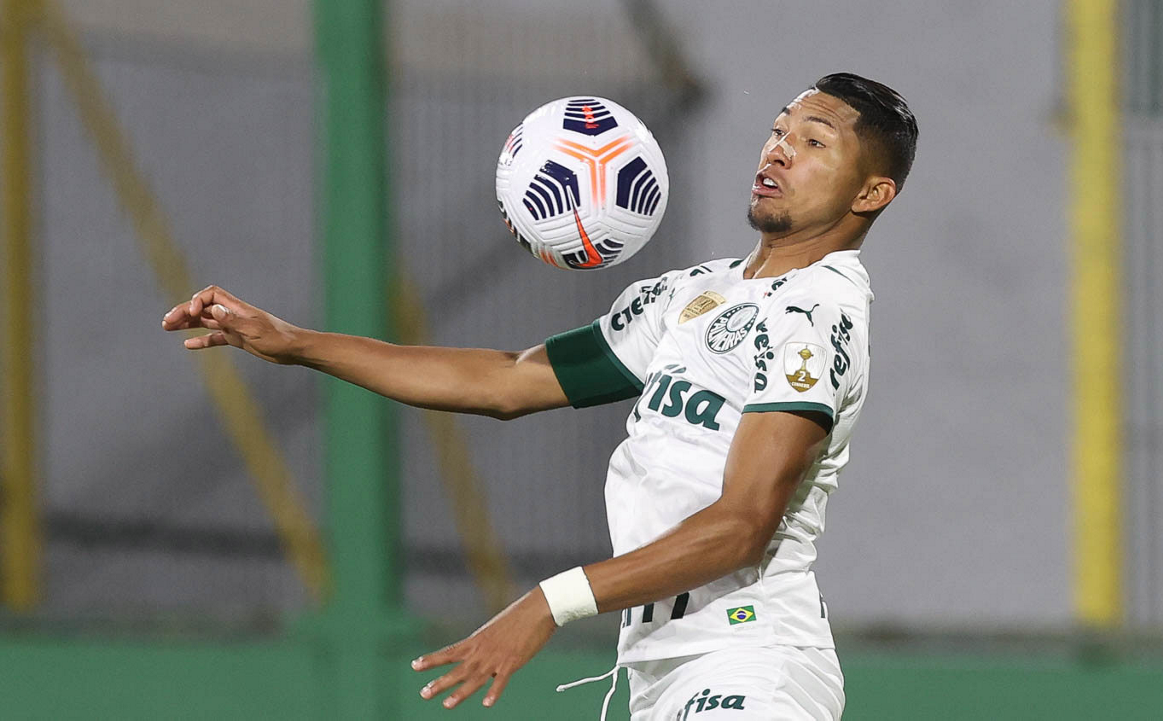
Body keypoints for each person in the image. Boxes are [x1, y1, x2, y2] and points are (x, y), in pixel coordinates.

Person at [162, 72, 917, 720]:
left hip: (750, 661)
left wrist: (548, 603)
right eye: (778, 129)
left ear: (872, 192)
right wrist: (295, 343)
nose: (778, 149)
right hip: (667, 669)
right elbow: (507, 381)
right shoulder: (695, 295)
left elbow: (743, 525)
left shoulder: (818, 313)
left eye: (814, 141)